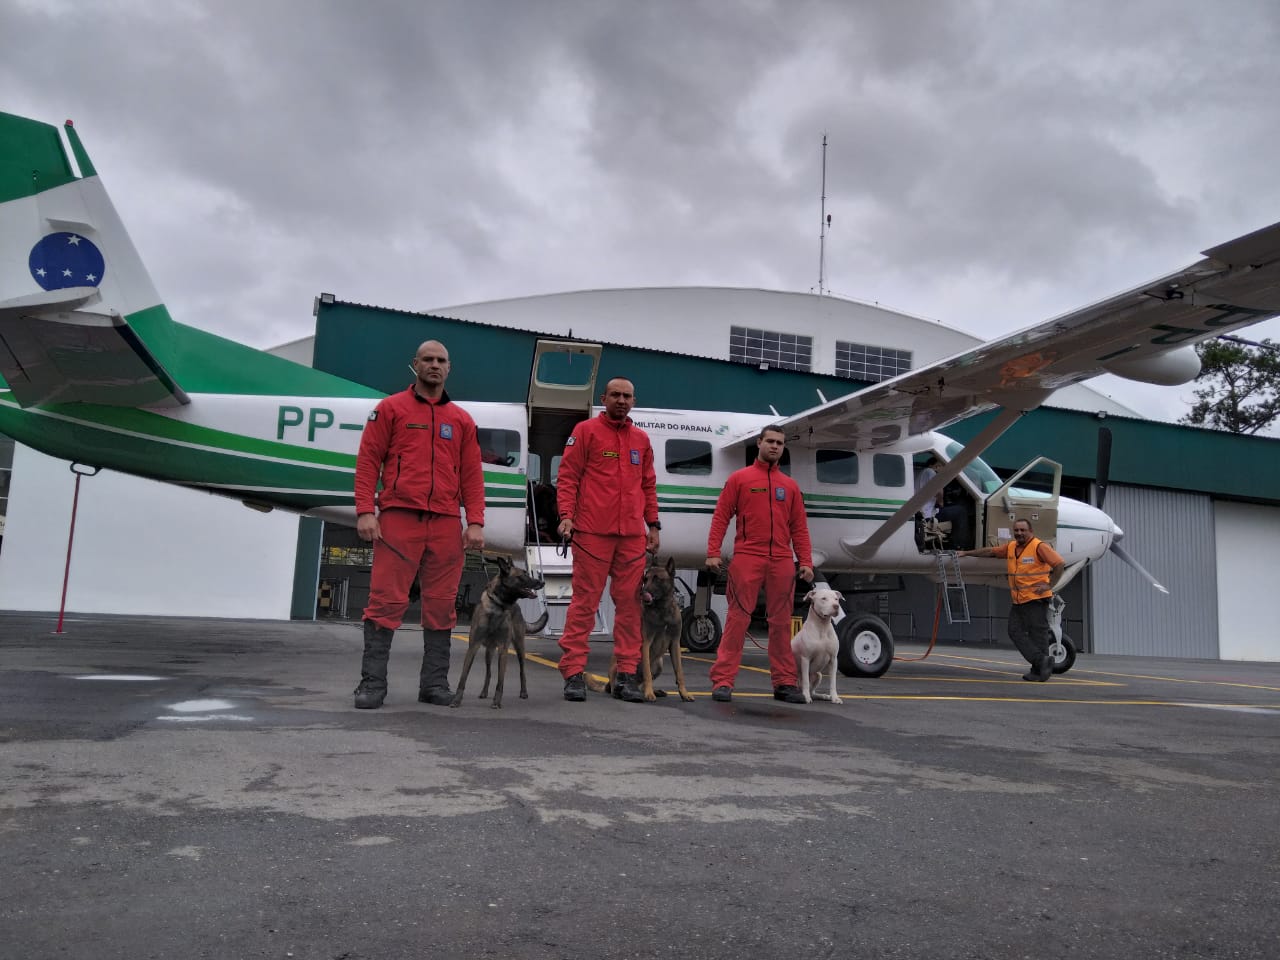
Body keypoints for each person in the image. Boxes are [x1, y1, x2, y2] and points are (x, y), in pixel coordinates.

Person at [351, 340, 486, 709]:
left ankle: (434, 685)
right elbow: (368, 461)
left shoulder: (461, 420)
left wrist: (475, 521)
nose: (434, 365)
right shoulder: (390, 409)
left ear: (449, 368)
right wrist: (366, 509)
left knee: (442, 606)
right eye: (428, 359)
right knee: (384, 601)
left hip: (445, 523)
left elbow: (472, 475)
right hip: (398, 518)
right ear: (415, 365)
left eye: (441, 360)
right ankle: (372, 684)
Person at [556, 377, 660, 703]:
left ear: (634, 401)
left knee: (630, 607)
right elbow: (568, 476)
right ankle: (573, 673)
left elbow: (648, 485)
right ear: (604, 398)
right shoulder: (585, 431)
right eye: (615, 395)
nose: (621, 400)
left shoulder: (641, 440)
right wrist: (566, 516)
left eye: (627, 395)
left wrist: (653, 526)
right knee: (585, 603)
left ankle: (626, 677)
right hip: (591, 533)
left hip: (631, 536)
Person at [705, 425, 815, 703]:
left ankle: (784, 683)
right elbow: (721, 516)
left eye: (779, 442)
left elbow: (799, 527)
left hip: (781, 560)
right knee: (737, 619)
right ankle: (723, 681)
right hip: (747, 557)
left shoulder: (789, 486)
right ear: (759, 443)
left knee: (780, 623)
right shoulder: (739, 479)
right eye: (770, 441)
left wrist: (806, 561)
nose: (775, 446)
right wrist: (713, 552)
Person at [957, 518, 1065, 682]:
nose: (1019, 533)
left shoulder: (1039, 546)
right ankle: (1040, 662)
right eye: (1017, 530)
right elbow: (990, 552)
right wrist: (967, 553)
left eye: (1023, 530)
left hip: (1035, 598)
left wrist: (1049, 584)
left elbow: (1059, 564)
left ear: (1031, 531)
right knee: (1014, 631)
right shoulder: (1012, 547)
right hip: (1019, 600)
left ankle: (1039, 670)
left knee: (1038, 634)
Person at [916, 455, 943, 520]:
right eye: (938, 465)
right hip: (927, 513)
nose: (939, 467)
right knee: (960, 510)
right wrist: (941, 502)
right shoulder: (930, 471)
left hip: (921, 509)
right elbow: (938, 491)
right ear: (931, 465)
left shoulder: (922, 472)